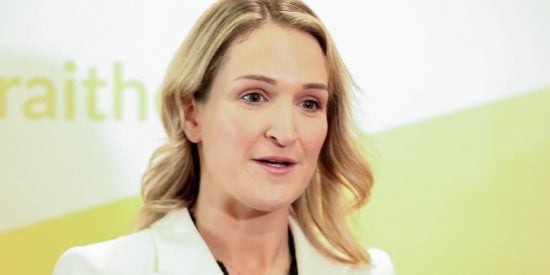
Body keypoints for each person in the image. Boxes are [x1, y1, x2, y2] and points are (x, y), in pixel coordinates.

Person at [53, 0, 395, 274]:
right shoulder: (99, 270)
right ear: (191, 114)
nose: (286, 132)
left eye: (309, 103)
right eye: (254, 97)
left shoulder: (368, 271)